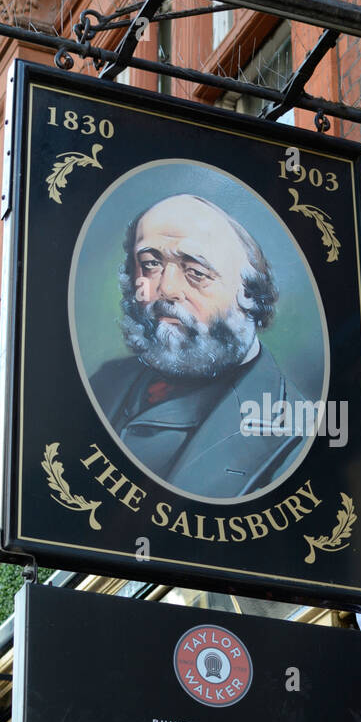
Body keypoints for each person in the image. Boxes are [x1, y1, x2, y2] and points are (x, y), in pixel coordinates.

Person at [90, 194, 308, 498]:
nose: (166, 288)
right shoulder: (105, 382)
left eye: (195, 272)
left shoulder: (297, 432)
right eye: (151, 264)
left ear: (248, 292)